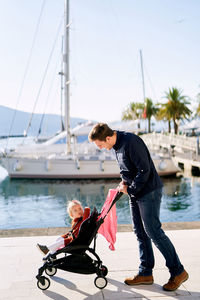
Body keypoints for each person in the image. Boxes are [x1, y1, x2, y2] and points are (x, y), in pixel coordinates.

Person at [88, 123, 188, 292]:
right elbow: (126, 169)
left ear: (108, 138)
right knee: (140, 232)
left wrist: (131, 188)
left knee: (154, 232)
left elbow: (144, 170)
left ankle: (178, 271)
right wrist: (124, 183)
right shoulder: (116, 146)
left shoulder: (131, 141)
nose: (101, 148)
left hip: (149, 192)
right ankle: (146, 273)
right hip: (135, 193)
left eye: (100, 145)